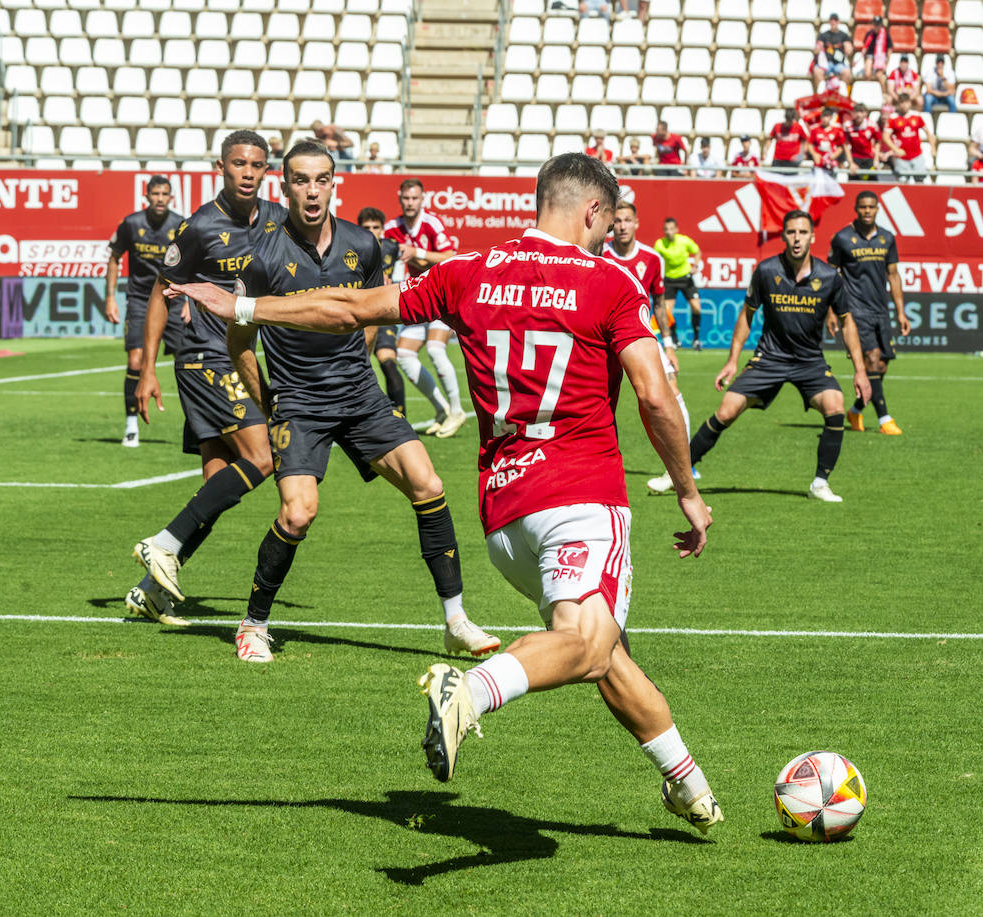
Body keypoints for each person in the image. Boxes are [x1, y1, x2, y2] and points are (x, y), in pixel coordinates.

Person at [171, 153, 722, 836]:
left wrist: (249, 304)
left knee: (604, 650)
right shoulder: (609, 281)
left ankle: (688, 784)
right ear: (591, 212)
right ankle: (474, 689)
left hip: (503, 520)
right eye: (606, 224)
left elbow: (346, 306)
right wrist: (690, 492)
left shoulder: (468, 272)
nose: (608, 238)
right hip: (580, 494)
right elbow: (653, 394)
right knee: (582, 641)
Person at [220, 141, 499, 663]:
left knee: (428, 483)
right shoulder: (261, 254)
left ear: (334, 183)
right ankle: (253, 624)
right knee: (299, 513)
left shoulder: (363, 245)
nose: (311, 190)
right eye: (300, 180)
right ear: (285, 186)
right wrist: (269, 401)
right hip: (298, 403)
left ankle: (456, 620)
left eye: (321, 179)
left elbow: (373, 313)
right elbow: (239, 343)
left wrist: (360, 365)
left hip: (359, 394)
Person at [128, 130, 285, 626]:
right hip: (204, 359)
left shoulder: (277, 221)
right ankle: (163, 542)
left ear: (266, 171)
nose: (247, 172)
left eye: (256, 165)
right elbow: (160, 293)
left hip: (237, 356)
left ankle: (151, 590)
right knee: (263, 457)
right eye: (238, 163)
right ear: (221, 167)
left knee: (218, 486)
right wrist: (148, 370)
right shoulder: (198, 227)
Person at [653, 211, 872, 503]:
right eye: (791, 232)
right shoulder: (767, 270)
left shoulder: (830, 276)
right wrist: (732, 361)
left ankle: (820, 483)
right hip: (769, 357)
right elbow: (747, 315)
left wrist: (859, 371)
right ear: (783, 236)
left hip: (809, 361)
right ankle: (676, 474)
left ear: (812, 237)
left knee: (835, 405)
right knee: (727, 411)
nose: (797, 238)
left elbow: (847, 322)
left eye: (803, 232)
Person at [603, 202, 696, 493]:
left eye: (627, 220)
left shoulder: (653, 258)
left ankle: (681, 468)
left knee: (669, 393)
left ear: (636, 223)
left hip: (645, 337)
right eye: (617, 220)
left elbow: (658, 305)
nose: (622, 225)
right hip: (604, 338)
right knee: (598, 400)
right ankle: (597, 466)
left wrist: (668, 345)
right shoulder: (599, 254)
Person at [105, 175, 187, 448]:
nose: (160, 199)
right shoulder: (131, 223)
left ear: (171, 197)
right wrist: (110, 299)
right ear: (147, 196)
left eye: (165, 194)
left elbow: (193, 264)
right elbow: (115, 258)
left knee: (187, 362)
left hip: (173, 299)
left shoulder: (180, 225)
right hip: (140, 299)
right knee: (136, 362)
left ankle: (197, 426)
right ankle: (131, 427)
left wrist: (189, 299)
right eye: (155, 194)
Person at [385, 178, 469, 437]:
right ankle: (442, 409)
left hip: (443, 295)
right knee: (404, 355)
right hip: (418, 297)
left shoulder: (431, 224)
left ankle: (457, 410)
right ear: (400, 198)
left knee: (435, 349)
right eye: (406, 199)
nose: (410, 203)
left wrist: (418, 252)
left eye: (414, 199)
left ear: (422, 199)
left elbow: (451, 257)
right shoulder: (392, 227)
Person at [828, 192, 911, 435]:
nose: (867, 211)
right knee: (872, 359)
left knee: (881, 366)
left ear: (877, 209)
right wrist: (832, 312)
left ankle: (855, 411)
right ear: (855, 208)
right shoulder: (842, 238)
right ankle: (885, 420)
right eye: (862, 207)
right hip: (854, 310)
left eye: (871, 207)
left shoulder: (887, 238)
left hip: (880, 310)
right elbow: (831, 276)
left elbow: (893, 275)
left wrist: (901, 312)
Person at [356, 206, 407, 414]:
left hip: (383, 313)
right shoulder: (349, 248)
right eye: (366, 227)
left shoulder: (393, 247)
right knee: (356, 366)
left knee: (387, 361)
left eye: (375, 227)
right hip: (357, 314)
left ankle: (400, 416)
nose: (371, 231)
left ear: (382, 229)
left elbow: (415, 263)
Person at [653, 217, 703, 350]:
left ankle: (696, 339)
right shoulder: (659, 244)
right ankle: (675, 340)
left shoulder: (684, 241)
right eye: (666, 229)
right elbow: (655, 261)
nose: (668, 232)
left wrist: (695, 266)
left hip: (685, 278)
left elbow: (697, 251)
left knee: (697, 308)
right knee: (667, 312)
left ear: (676, 230)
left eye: (671, 229)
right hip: (669, 280)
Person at [884, 92, 935, 182]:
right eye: (901, 103)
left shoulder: (916, 116)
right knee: (903, 182)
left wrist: (933, 147)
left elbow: (928, 133)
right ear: (898, 104)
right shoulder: (893, 118)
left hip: (917, 155)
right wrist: (895, 150)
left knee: (920, 180)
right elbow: (885, 137)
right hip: (901, 157)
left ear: (910, 103)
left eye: (906, 102)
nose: (904, 105)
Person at [812, 13, 854, 88]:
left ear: (839, 22)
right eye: (831, 20)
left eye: (835, 20)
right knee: (817, 71)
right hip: (826, 63)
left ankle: (843, 94)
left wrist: (846, 46)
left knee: (847, 72)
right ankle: (822, 93)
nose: (833, 22)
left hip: (839, 63)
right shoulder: (823, 35)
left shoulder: (844, 36)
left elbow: (849, 52)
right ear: (829, 22)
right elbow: (816, 50)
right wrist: (818, 47)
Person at [844, 103, 883, 180]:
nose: (858, 114)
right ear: (852, 113)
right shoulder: (848, 126)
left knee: (872, 185)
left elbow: (878, 142)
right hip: (855, 158)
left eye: (861, 112)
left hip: (869, 158)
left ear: (866, 113)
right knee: (854, 185)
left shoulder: (872, 125)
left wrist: (876, 160)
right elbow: (845, 144)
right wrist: (851, 162)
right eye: (856, 112)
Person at [808, 106, 848, 173]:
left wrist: (835, 154)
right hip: (818, 163)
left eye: (827, 116)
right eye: (823, 116)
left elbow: (841, 146)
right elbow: (810, 144)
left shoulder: (836, 130)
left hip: (831, 163)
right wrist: (814, 154)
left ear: (831, 118)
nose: (824, 119)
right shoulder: (815, 130)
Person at [862, 16, 893, 86]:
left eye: (878, 24)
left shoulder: (885, 34)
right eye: (875, 24)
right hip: (870, 56)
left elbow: (889, 50)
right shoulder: (869, 34)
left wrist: (886, 63)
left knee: (879, 76)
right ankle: (867, 88)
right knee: (867, 73)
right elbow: (865, 48)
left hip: (881, 58)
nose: (876, 26)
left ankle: (883, 93)